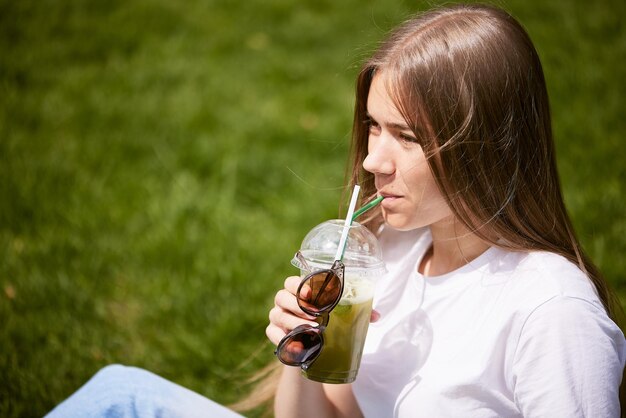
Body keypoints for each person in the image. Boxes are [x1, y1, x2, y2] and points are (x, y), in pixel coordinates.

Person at [46, 3, 625, 418]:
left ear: (486, 145)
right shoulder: (390, 252)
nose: (373, 159)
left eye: (407, 136)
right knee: (117, 392)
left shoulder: (551, 313)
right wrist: (300, 355)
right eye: (373, 126)